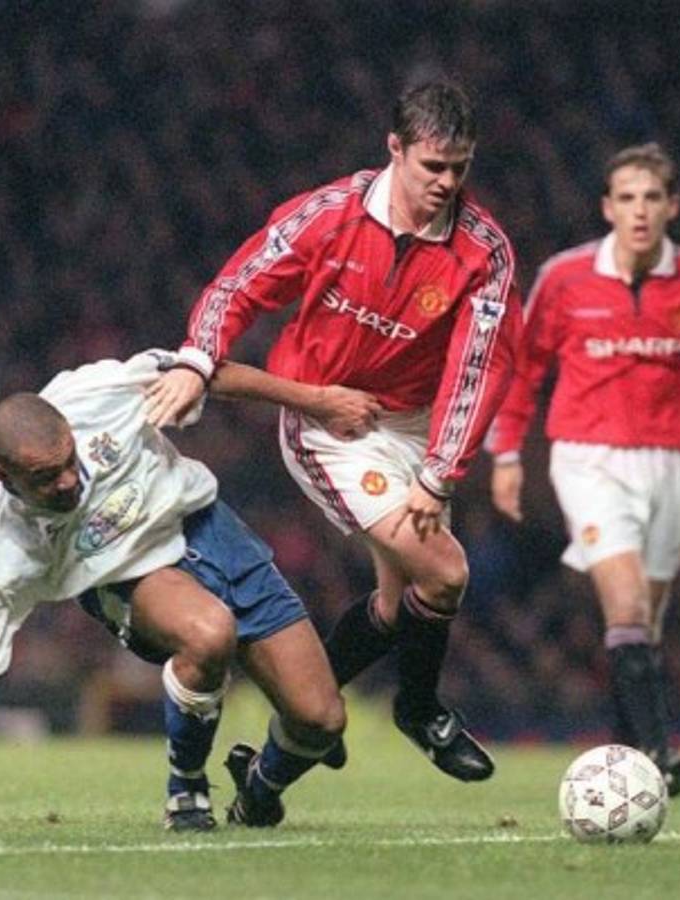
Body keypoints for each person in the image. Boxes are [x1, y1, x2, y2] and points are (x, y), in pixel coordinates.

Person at [148, 78, 522, 783]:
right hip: (331, 426)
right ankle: (418, 708)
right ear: (395, 149)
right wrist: (198, 358)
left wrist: (440, 471)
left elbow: (480, 368)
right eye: (433, 166)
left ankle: (268, 770)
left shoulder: (484, 252)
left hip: (415, 429)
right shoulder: (329, 216)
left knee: (398, 607)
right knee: (445, 573)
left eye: (460, 168)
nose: (447, 183)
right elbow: (238, 286)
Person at [0, 349, 381, 833]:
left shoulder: (97, 393)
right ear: (2, 475)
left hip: (209, 530)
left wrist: (316, 401)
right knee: (209, 633)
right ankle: (186, 789)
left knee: (321, 719)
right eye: (46, 478)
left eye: (69, 460)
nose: (69, 481)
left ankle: (258, 788)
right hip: (130, 576)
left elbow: (206, 372)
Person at [488, 142, 680, 795]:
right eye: (627, 197)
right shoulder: (566, 279)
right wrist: (507, 451)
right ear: (608, 207)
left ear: (672, 206)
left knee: (642, 624)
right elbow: (525, 366)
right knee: (624, 603)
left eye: (652, 197)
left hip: (671, 463)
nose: (640, 210)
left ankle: (626, 760)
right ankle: (658, 753)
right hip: (589, 459)